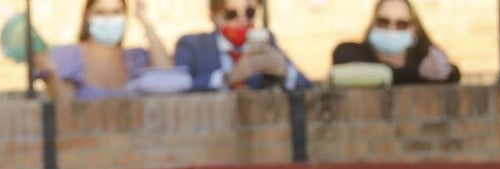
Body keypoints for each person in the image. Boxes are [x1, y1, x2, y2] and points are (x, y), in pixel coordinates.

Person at [33, 0, 190, 102]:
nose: (109, 19)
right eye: (101, 12)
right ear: (88, 16)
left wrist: (144, 20)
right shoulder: (70, 57)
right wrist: (53, 73)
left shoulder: (135, 58)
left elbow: (168, 74)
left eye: (116, 12)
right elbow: (64, 106)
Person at [173, 0, 310, 92]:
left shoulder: (266, 42)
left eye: (250, 12)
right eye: (231, 14)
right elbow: (177, 87)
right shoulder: (192, 45)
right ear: (215, 17)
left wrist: (286, 72)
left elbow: (308, 88)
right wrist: (229, 78)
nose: (243, 20)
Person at [331, 0, 460, 85]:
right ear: (373, 24)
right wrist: (416, 73)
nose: (391, 28)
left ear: (413, 29)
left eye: (401, 24)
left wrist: (442, 70)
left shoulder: (422, 57)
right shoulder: (350, 51)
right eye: (384, 21)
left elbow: (451, 72)